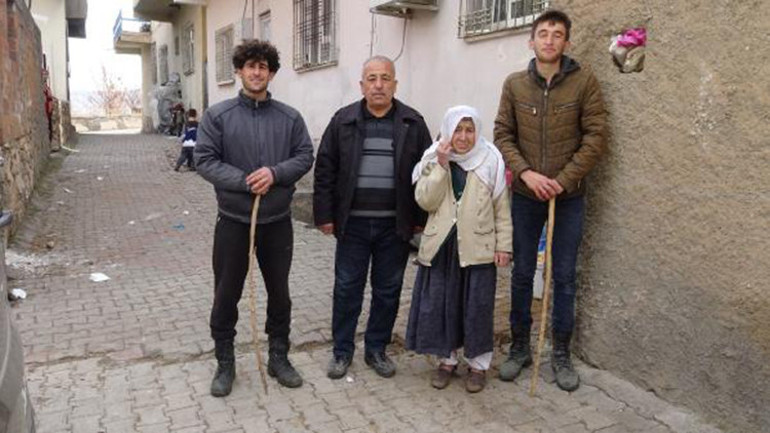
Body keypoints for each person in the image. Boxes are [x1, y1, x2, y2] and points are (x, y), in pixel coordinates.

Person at [493, 10, 607, 391]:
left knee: (564, 276)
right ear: (532, 41)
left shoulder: (584, 82)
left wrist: (562, 180)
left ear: (567, 43)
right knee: (522, 273)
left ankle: (560, 353)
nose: (549, 40)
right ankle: (520, 348)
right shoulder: (514, 85)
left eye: (557, 34)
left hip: (568, 197)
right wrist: (526, 173)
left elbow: (595, 137)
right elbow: (503, 134)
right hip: (526, 197)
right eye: (543, 33)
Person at [195, 39, 314, 396]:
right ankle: (225, 363)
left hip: (277, 222)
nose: (257, 72)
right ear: (239, 71)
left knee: (280, 294)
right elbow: (205, 160)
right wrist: (246, 181)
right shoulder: (218, 116)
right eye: (251, 66)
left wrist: (275, 173)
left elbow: (304, 155)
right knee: (226, 294)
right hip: (233, 221)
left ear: (271, 73)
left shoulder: (290, 118)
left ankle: (279, 357)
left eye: (263, 66)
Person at [313, 56, 432, 380]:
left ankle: (376, 349)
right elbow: (325, 170)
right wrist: (325, 215)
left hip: (394, 226)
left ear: (395, 84)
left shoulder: (412, 123)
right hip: (352, 224)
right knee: (346, 288)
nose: (378, 85)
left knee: (388, 290)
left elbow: (428, 173)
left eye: (385, 78)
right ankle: (342, 351)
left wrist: (419, 218)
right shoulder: (343, 121)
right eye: (372, 78)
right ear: (362, 85)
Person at [406, 106, 512, 393]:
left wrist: (504, 246)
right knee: (443, 305)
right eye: (457, 130)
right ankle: (447, 361)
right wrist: (441, 165)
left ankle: (478, 366)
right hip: (442, 248)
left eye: (469, 130)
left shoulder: (491, 160)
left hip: (478, 248)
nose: (463, 137)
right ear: (447, 131)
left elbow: (501, 208)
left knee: (477, 307)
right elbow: (425, 201)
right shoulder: (433, 158)